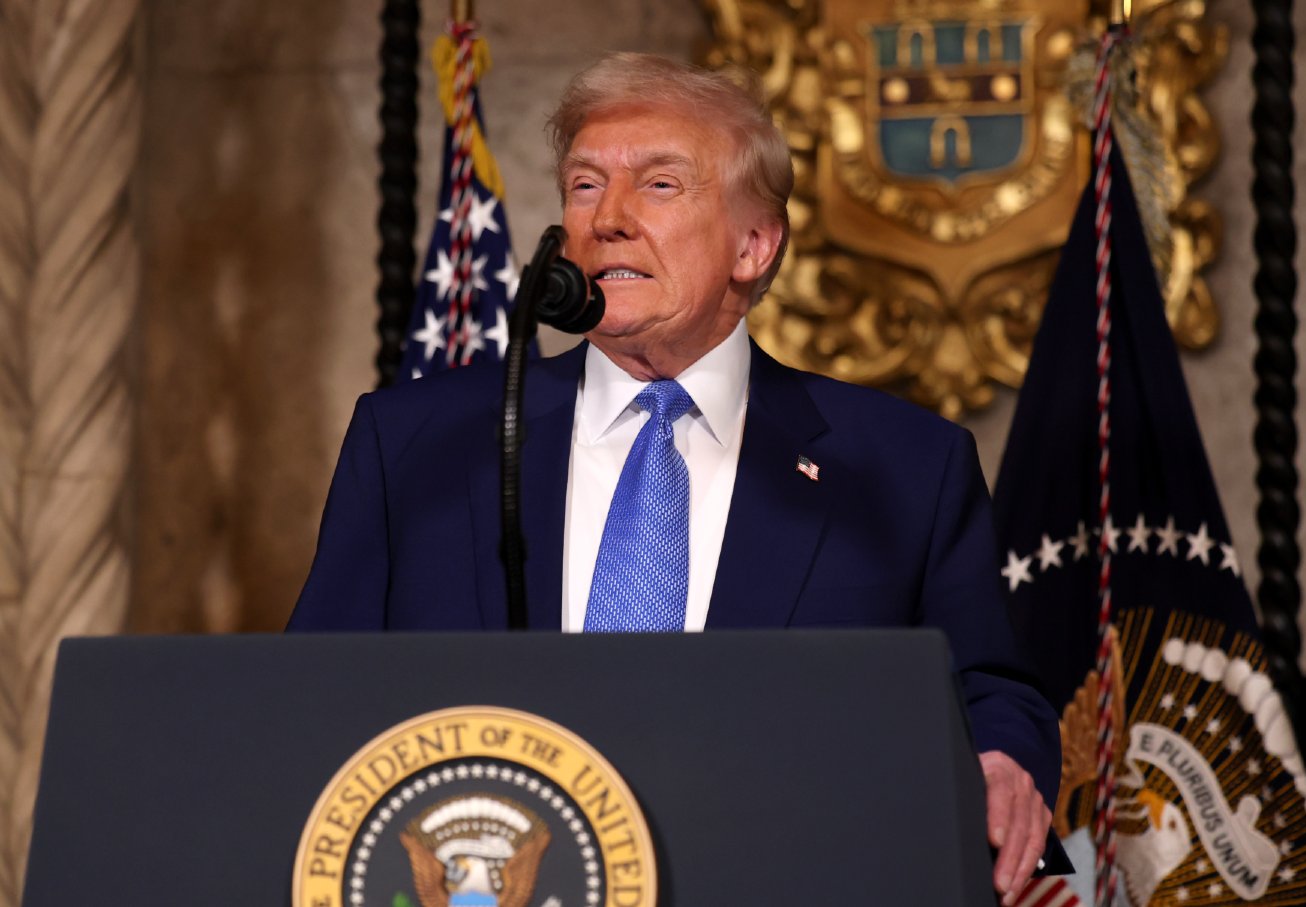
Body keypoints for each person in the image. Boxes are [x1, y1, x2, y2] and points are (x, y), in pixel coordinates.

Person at [289, 52, 1063, 903]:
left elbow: (990, 689)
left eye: (659, 185)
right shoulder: (419, 446)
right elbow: (312, 698)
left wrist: (1000, 760)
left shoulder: (903, 468)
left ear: (753, 244)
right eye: (585, 186)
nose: (608, 219)